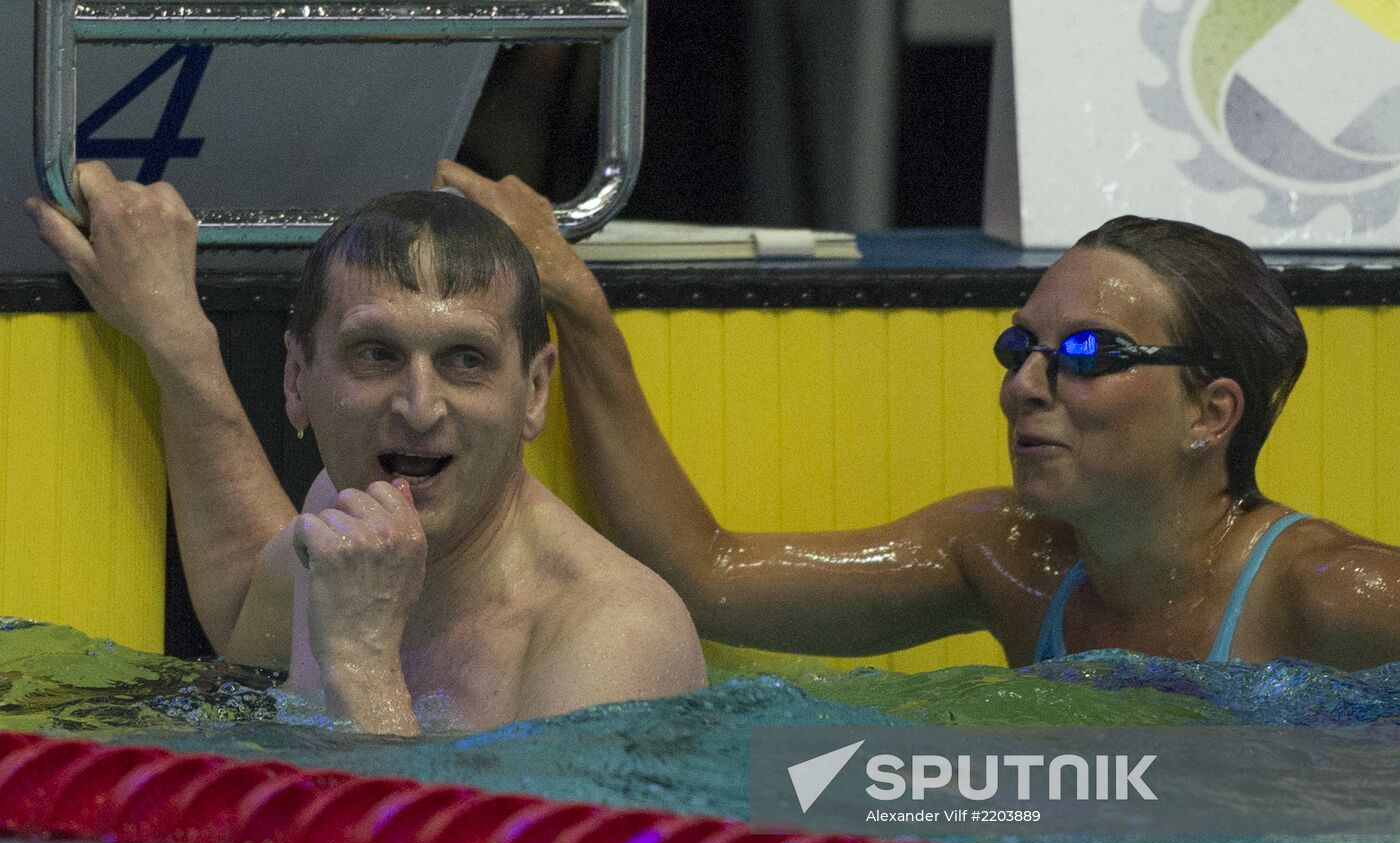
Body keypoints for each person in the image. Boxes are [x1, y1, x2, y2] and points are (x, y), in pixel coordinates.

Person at [434, 160, 1400, 672]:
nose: (1025, 385)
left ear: (1212, 411)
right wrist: (579, 308)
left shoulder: (1328, 597)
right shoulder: (1010, 561)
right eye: (1020, 347)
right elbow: (707, 577)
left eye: (1087, 356)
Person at [26, 162, 706, 736]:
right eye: (375, 354)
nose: (419, 407)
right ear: (297, 378)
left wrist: (359, 664)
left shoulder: (611, 639)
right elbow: (247, 613)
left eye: (465, 359)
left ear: (532, 392)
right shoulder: (346, 512)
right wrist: (175, 339)